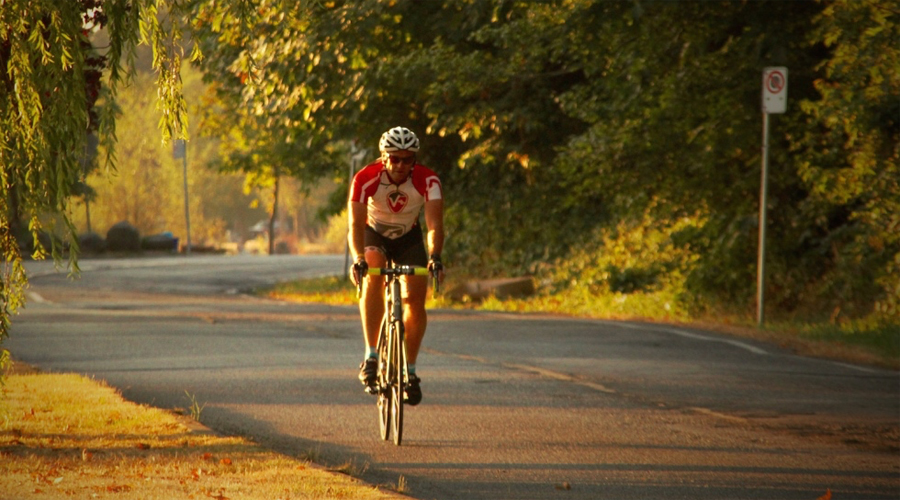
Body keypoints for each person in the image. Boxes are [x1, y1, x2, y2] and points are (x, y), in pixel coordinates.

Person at [348, 126, 445, 406]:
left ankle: (410, 371)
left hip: (408, 237)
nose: (401, 165)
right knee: (374, 271)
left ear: (414, 159)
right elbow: (354, 225)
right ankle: (371, 355)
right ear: (384, 157)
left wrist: (435, 257)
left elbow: (434, 224)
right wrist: (358, 258)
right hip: (373, 233)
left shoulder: (428, 180)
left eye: (407, 159)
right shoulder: (365, 178)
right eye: (395, 158)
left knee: (416, 299)